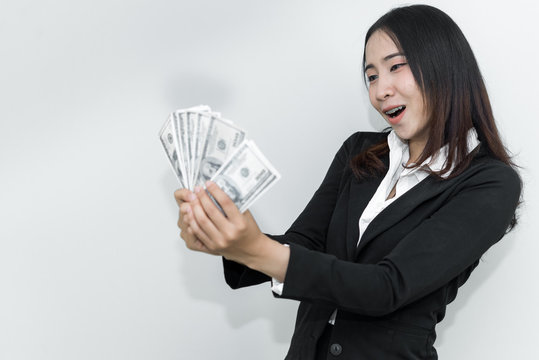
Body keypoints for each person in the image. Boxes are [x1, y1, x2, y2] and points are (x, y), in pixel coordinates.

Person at [174, 5, 521, 359]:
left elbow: (387, 286)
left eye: (395, 67)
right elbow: (303, 242)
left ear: (443, 66)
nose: (381, 90)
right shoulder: (359, 151)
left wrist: (257, 249)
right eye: (371, 76)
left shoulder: (489, 182)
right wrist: (228, 238)